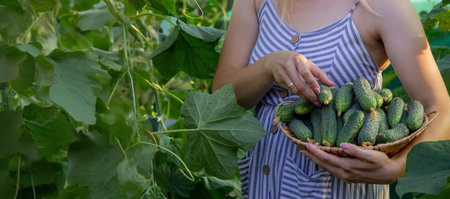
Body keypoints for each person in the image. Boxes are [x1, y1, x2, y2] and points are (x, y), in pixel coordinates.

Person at [212, 0, 450, 198]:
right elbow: (220, 97)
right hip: (261, 184)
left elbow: (441, 110)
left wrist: (397, 168)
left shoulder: (384, 6)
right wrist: (267, 66)